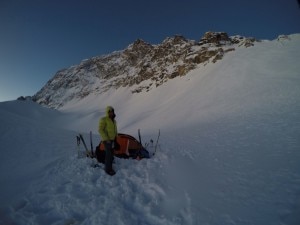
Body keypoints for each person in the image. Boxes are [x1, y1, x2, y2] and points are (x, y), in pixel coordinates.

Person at [98, 106, 118, 175]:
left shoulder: (114, 121)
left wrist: (116, 138)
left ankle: (110, 164)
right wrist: (106, 139)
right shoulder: (104, 119)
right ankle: (108, 169)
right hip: (107, 140)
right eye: (110, 112)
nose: (111, 113)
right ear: (107, 112)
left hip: (112, 140)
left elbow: (115, 130)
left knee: (111, 153)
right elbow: (100, 130)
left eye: (112, 111)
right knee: (108, 154)